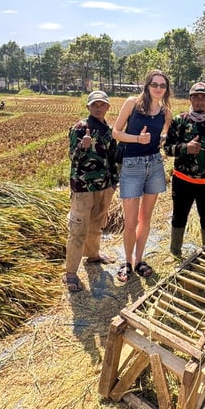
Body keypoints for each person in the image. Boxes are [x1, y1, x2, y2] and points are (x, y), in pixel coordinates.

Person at [112, 70, 172, 282]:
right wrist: (138, 139)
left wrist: (162, 139)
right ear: (147, 86)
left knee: (145, 218)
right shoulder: (132, 103)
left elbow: (165, 133)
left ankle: (139, 260)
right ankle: (127, 262)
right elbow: (116, 132)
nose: (158, 88)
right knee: (130, 221)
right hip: (132, 165)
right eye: (154, 84)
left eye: (162, 85)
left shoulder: (165, 111)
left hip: (154, 165)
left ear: (166, 89)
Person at [63, 90, 119, 293]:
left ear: (108, 107)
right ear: (88, 107)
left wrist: (114, 182)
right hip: (83, 187)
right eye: (94, 105)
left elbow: (113, 158)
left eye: (102, 104)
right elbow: (73, 157)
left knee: (97, 223)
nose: (98, 108)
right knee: (78, 228)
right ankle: (70, 272)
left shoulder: (109, 130)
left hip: (104, 186)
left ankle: (93, 255)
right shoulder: (80, 128)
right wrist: (83, 146)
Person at [164, 82, 205, 257]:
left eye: (203, 97)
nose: (200, 101)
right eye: (196, 97)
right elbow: (167, 149)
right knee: (179, 217)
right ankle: (175, 253)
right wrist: (185, 148)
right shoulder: (179, 121)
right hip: (183, 180)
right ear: (190, 99)